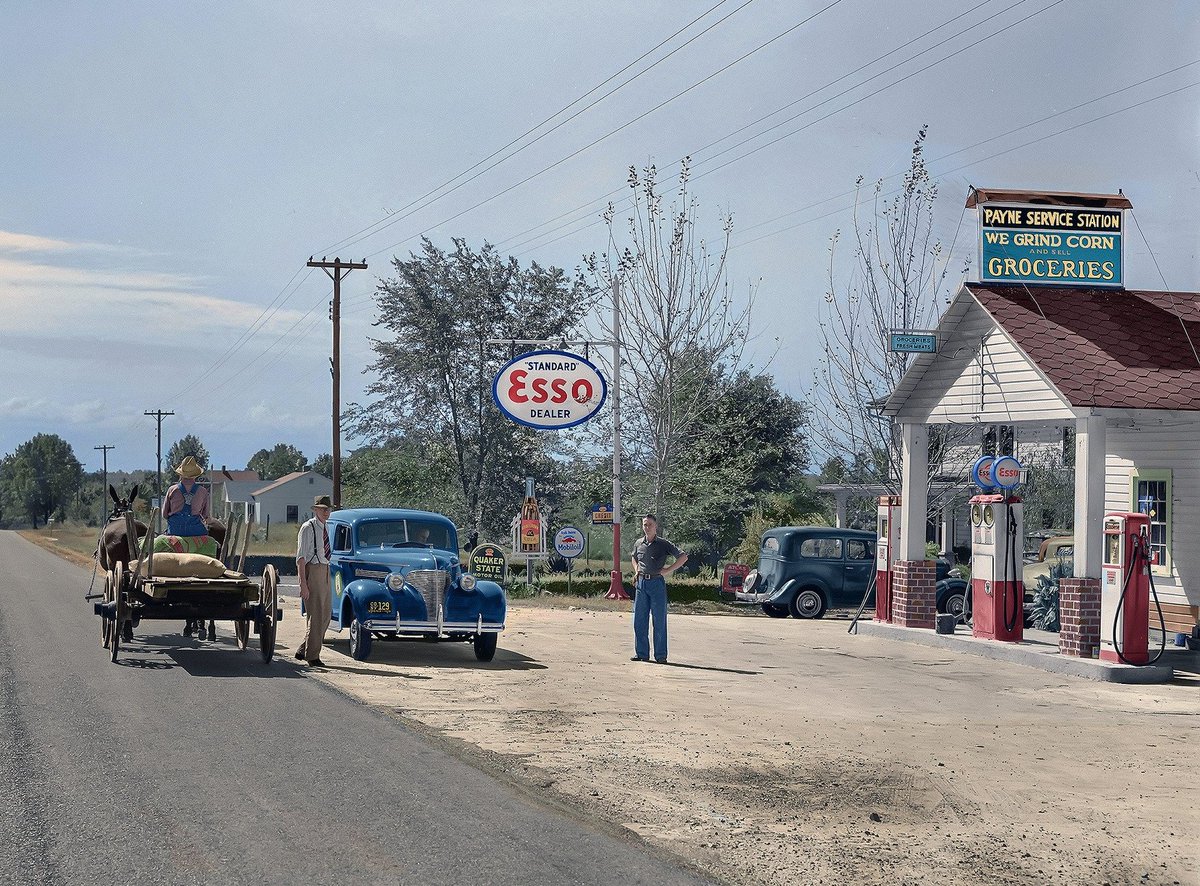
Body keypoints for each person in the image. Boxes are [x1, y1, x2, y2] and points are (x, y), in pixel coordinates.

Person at [161, 455, 213, 640]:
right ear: (196, 477)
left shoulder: (172, 490)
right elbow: (206, 515)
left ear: (181, 475)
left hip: (175, 531)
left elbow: (165, 513)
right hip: (197, 532)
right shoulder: (203, 492)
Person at [630, 513, 687, 664]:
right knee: (639, 620)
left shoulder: (663, 544)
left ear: (656, 526)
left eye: (649, 524)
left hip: (656, 584)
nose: (647, 527)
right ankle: (642, 653)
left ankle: (660, 655)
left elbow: (683, 557)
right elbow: (634, 557)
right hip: (641, 583)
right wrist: (636, 570)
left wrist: (668, 570)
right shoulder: (638, 543)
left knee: (659, 620)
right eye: (644, 524)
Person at [295, 495, 334, 668]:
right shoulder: (307, 527)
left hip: (325, 569)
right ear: (316, 509)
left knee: (325, 614)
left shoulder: (325, 527)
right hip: (313, 569)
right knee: (316, 615)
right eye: (323, 509)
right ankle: (313, 656)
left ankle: (304, 648)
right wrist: (303, 583)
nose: (326, 512)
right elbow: (301, 558)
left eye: (328, 509)